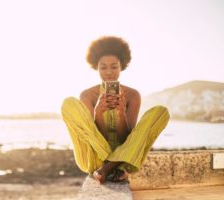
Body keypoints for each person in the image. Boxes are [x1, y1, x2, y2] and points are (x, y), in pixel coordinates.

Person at [61, 36, 170, 184]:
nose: (109, 72)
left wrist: (121, 114)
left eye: (114, 66)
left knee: (161, 112)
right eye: (103, 67)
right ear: (96, 67)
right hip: (94, 158)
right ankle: (113, 165)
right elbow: (90, 137)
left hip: (123, 154)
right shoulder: (87, 95)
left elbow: (129, 138)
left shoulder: (132, 95)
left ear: (121, 66)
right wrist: (98, 113)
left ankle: (107, 168)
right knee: (69, 103)